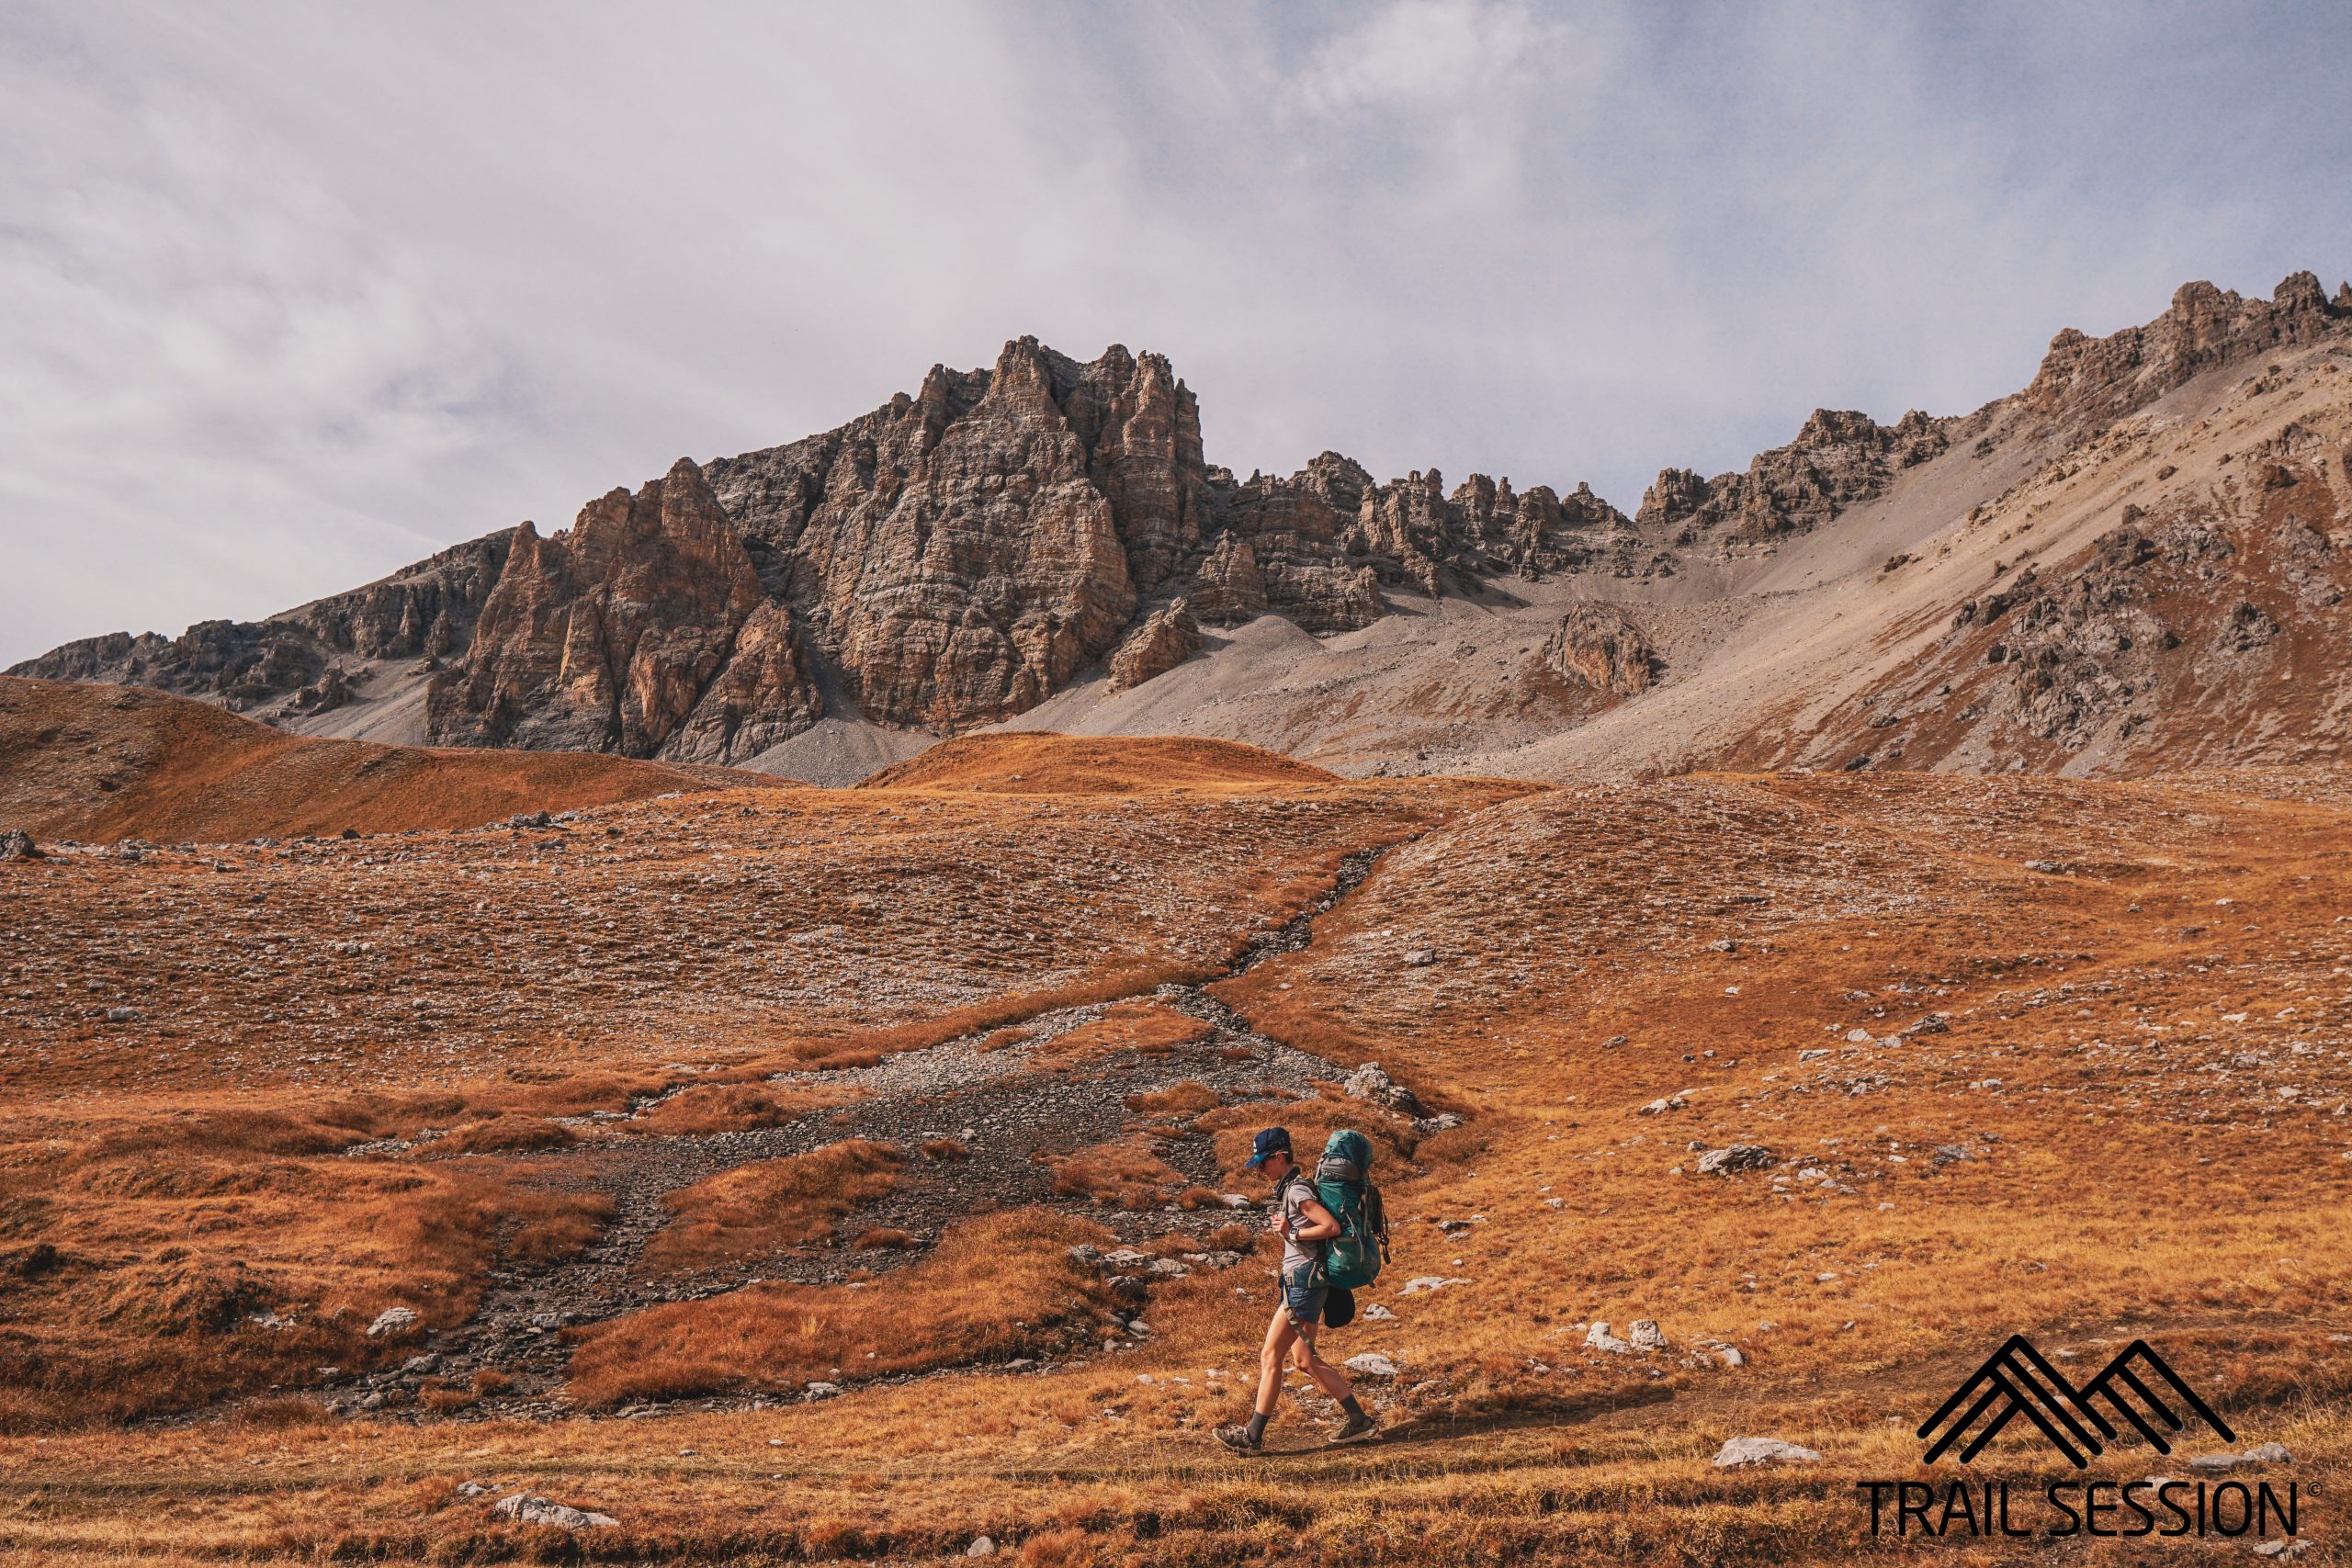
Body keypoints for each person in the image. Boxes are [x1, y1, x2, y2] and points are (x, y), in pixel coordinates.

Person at [1215, 1127, 1378, 1452]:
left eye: (1262, 1164)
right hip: (1308, 1282)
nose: (1260, 1171)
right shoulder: (1294, 1189)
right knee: (1304, 1360)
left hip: (1303, 1283)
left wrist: (1293, 1234)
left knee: (1270, 1356)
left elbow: (1330, 1227)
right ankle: (1359, 1421)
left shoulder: (1297, 1191)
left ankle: (1252, 1437)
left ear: (1279, 1157)